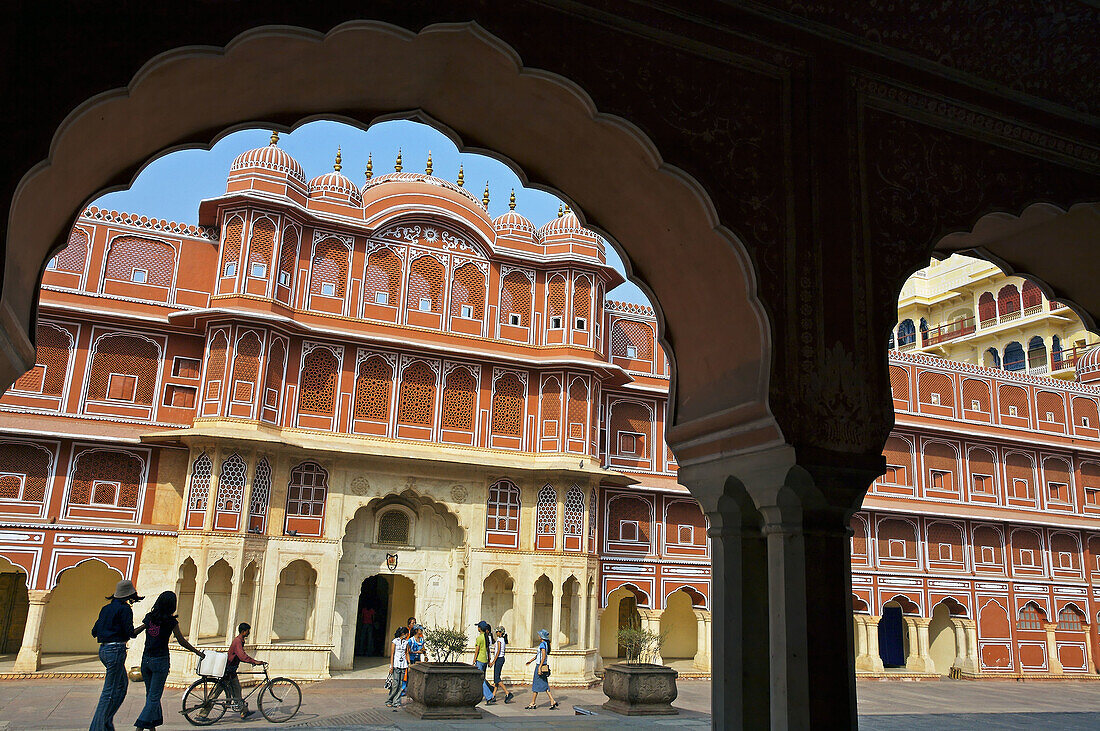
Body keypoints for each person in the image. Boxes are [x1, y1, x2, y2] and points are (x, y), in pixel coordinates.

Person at [132, 591, 204, 730]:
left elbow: (137, 631)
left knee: (151, 695)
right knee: (154, 698)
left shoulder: (150, 618)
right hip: (160, 661)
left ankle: (152, 727)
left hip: (146, 660)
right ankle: (139, 728)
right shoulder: (171, 622)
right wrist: (197, 652)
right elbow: (182, 641)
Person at [90, 579, 143, 731]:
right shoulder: (125, 609)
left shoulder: (105, 609)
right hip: (115, 651)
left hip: (104, 650)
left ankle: (106, 723)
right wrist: (146, 624)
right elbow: (130, 633)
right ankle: (97, 727)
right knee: (109, 691)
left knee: (121, 686)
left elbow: (94, 631)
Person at [224, 623, 266, 720]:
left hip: (232, 670)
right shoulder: (238, 641)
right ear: (244, 631)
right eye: (248, 631)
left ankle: (244, 711)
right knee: (217, 692)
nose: (249, 633)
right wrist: (254, 661)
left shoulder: (240, 640)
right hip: (228, 671)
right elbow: (242, 656)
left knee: (237, 689)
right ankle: (203, 713)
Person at [525, 628, 558, 710]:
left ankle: (533, 702)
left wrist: (539, 667)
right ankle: (552, 701)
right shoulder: (545, 644)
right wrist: (531, 661)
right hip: (542, 665)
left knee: (536, 684)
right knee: (544, 684)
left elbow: (543, 656)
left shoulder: (542, 644)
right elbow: (538, 655)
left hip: (540, 666)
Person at [386, 627, 409, 711]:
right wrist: (391, 666)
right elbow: (392, 654)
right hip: (396, 664)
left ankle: (396, 701)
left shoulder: (406, 642)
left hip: (403, 665)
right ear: (403, 634)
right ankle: (390, 700)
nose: (407, 636)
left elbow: (406, 653)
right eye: (406, 634)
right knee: (395, 684)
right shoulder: (395, 641)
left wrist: (408, 664)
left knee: (400, 684)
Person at [489, 625, 514, 704]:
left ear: (500, 633)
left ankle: (507, 693)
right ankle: (493, 695)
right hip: (501, 659)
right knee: (496, 679)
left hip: (499, 659)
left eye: (497, 632)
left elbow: (498, 651)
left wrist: (493, 661)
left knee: (497, 678)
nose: (496, 633)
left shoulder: (500, 640)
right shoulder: (502, 640)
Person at [399, 625, 425, 698]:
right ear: (416, 630)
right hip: (411, 659)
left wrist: (424, 654)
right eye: (420, 630)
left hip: (418, 660)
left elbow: (423, 648)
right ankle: (404, 689)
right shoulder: (411, 640)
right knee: (408, 675)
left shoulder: (421, 640)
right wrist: (416, 652)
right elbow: (408, 651)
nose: (421, 632)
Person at [473, 621, 494, 704]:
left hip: (480, 659)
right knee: (482, 677)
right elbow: (488, 650)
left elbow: (477, 650)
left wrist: (474, 660)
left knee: (480, 679)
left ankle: (489, 696)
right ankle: (489, 689)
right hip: (485, 659)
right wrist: (489, 660)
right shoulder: (486, 637)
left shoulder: (480, 638)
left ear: (480, 628)